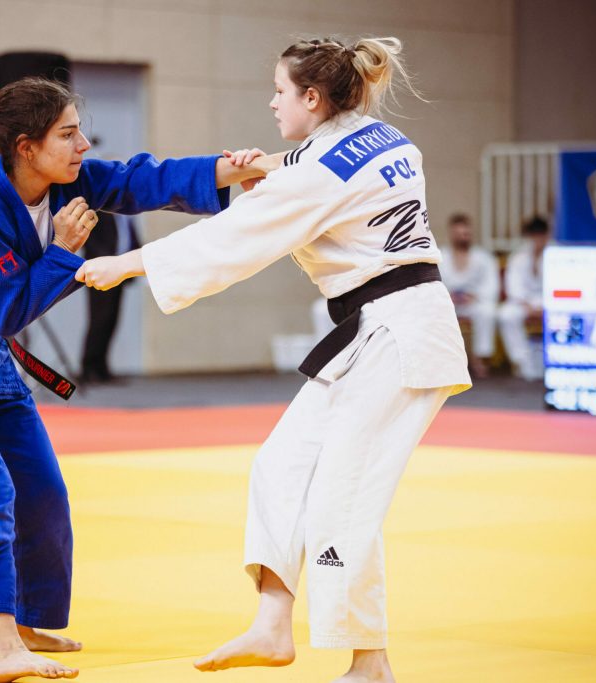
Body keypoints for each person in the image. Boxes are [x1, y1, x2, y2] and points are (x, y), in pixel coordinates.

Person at [78, 36, 471, 683]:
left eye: (280, 92)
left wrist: (130, 262)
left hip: (399, 337)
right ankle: (272, 622)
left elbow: (241, 234)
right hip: (377, 330)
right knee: (281, 464)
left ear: (312, 97)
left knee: (342, 499)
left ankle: (370, 664)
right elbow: (316, 165)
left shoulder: (317, 172)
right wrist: (268, 166)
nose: (271, 102)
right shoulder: (386, 139)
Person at [0, 77, 269, 682]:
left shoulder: (67, 179)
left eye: (80, 132)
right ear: (27, 147)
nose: (83, 145)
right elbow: (10, 310)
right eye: (68, 135)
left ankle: (27, 622)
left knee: (42, 491)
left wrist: (239, 169)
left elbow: (141, 179)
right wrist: (65, 252)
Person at [79, 211, 140, 383]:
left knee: (111, 320)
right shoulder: (99, 210)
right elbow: (91, 242)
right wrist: (103, 264)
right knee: (99, 320)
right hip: (102, 272)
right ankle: (89, 368)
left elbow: (131, 239)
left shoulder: (126, 214)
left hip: (120, 273)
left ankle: (101, 368)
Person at [438, 212, 499, 378]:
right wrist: (447, 297)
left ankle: (479, 358)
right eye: (458, 234)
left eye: (465, 233)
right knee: (434, 312)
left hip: (473, 303)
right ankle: (444, 361)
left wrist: (474, 296)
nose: (462, 237)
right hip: (448, 303)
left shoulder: (483, 258)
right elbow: (433, 284)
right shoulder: (440, 256)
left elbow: (491, 285)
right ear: (451, 234)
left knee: (486, 311)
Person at [498, 216, 549, 380]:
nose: (537, 240)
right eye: (534, 236)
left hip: (549, 303)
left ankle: (556, 360)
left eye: (541, 235)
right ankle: (521, 361)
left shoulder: (556, 253)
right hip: (524, 303)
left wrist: (545, 306)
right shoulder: (518, 257)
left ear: (547, 235)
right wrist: (527, 306)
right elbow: (513, 287)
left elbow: (562, 285)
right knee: (506, 314)